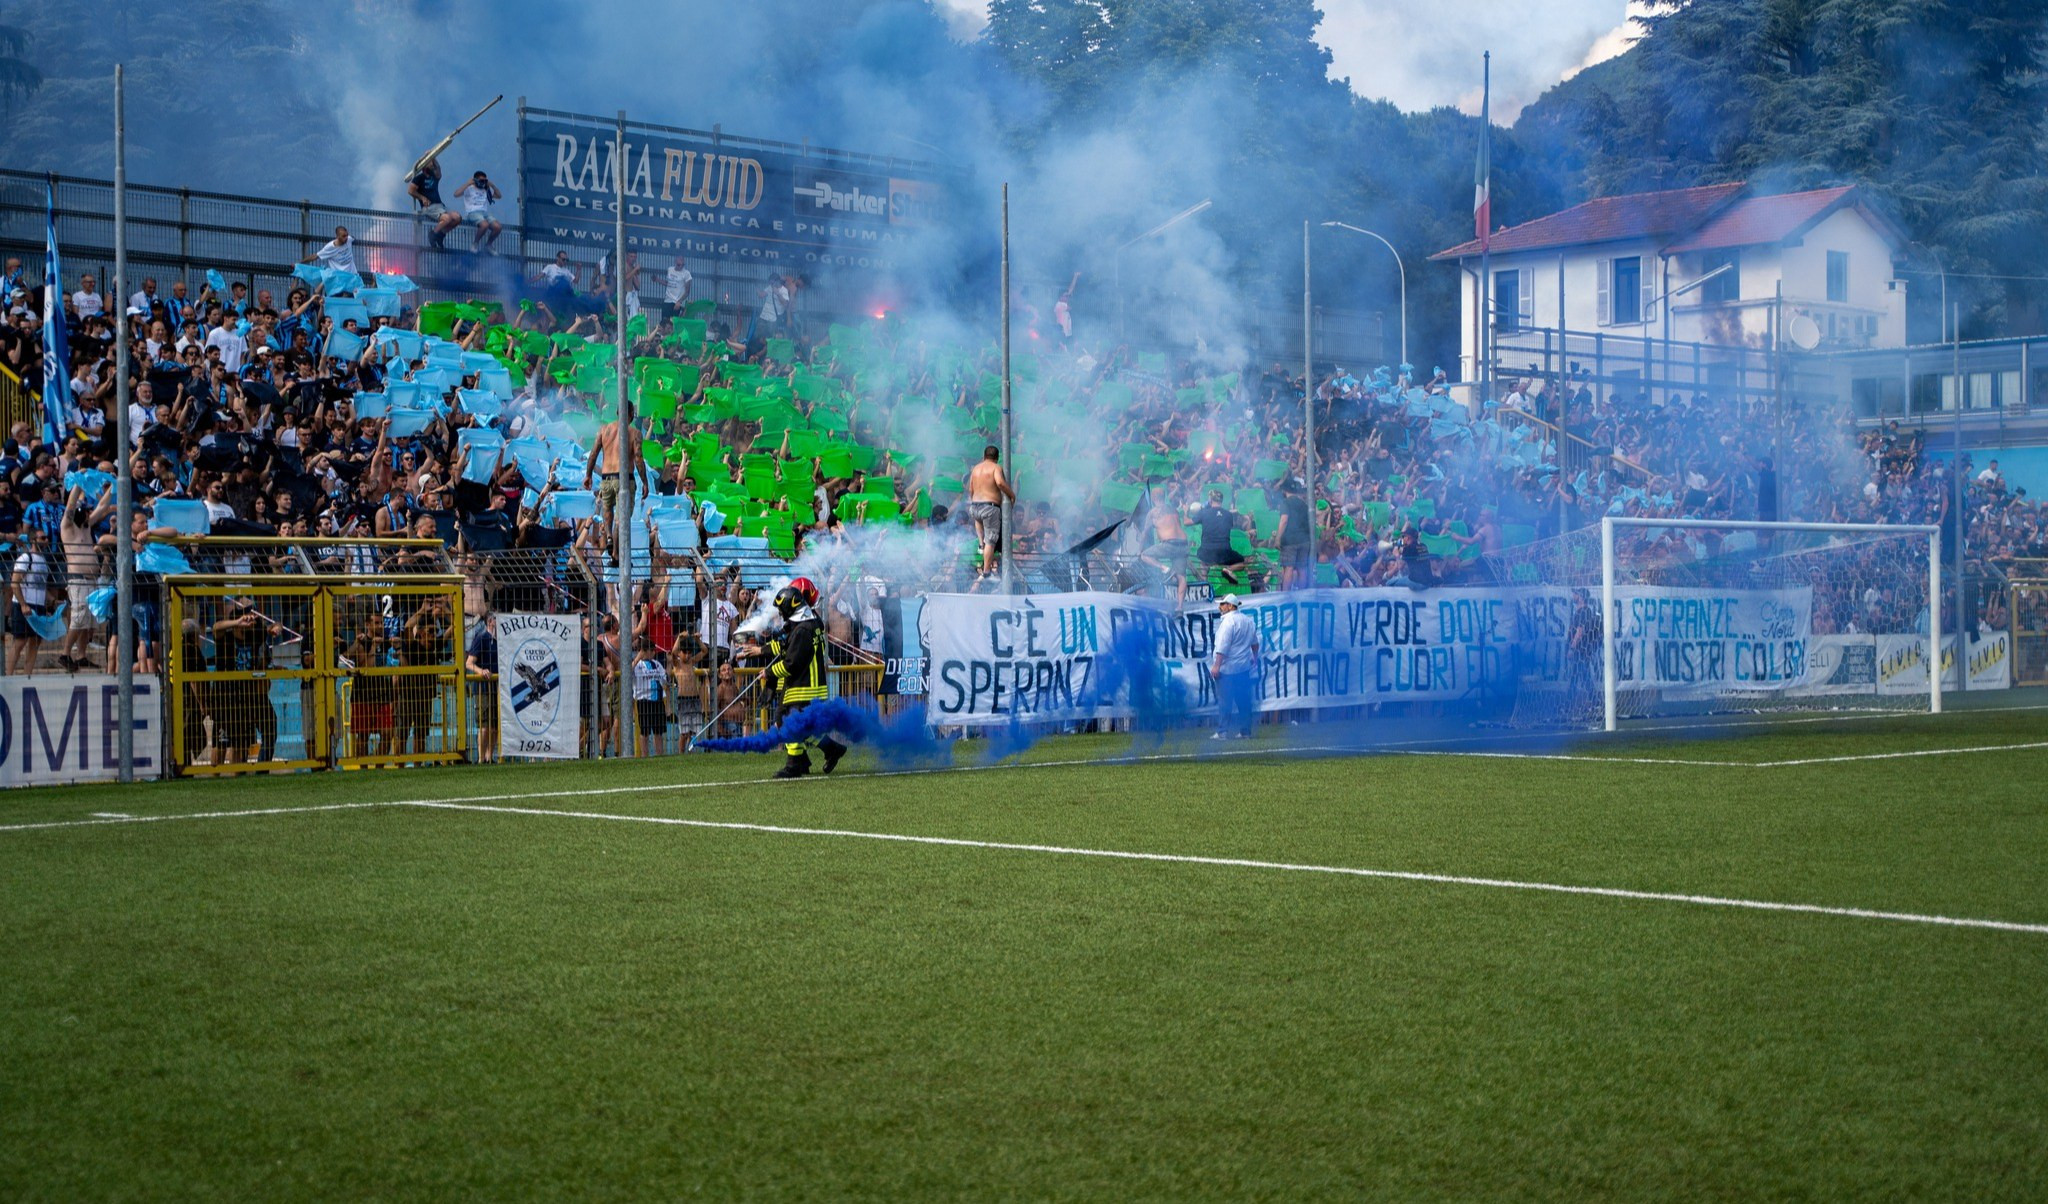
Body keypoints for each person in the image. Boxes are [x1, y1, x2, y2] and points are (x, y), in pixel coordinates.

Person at [764, 579, 845, 779]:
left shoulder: (802, 629)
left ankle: (797, 763)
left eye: (782, 609)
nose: (781, 615)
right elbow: (786, 645)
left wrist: (769, 672)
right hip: (807, 684)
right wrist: (760, 649)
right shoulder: (811, 621)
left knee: (789, 722)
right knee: (799, 724)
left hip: (803, 685)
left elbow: (791, 660)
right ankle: (807, 758)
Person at [1210, 594, 1259, 739]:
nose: (1220, 607)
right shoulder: (1248, 621)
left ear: (1230, 606)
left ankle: (1222, 732)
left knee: (1225, 702)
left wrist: (1216, 666)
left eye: (1223, 604)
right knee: (1243, 702)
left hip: (1227, 669)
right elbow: (1255, 644)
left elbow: (1223, 646)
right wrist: (1254, 659)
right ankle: (1245, 732)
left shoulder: (1228, 622)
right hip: (1243, 668)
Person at [965, 444, 1015, 580]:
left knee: (979, 522)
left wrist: (974, 501)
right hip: (990, 507)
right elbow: (1000, 483)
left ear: (984, 456)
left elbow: (970, 489)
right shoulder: (996, 468)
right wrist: (1012, 495)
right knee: (991, 541)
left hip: (975, 506)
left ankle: (980, 544)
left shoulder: (975, 468)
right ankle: (986, 571)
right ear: (997, 458)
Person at [1140, 493, 1191, 607]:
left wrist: (1139, 550)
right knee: (1181, 577)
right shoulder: (1173, 509)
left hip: (1169, 544)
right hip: (1183, 544)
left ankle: (1165, 569)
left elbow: (1145, 532)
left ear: (1153, 498)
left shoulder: (1153, 512)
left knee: (1144, 555)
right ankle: (1179, 607)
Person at [1189, 486, 1246, 585]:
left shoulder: (1203, 513)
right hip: (1224, 553)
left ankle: (1204, 581)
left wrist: (1186, 510)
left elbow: (1186, 522)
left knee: (1202, 560)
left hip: (1207, 552)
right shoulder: (1229, 515)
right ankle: (1228, 569)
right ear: (1221, 501)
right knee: (1242, 562)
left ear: (1210, 500)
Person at [465, 605, 498, 763]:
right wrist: (480, 671)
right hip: (483, 688)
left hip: (498, 688)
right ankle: (480, 758)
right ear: (491, 621)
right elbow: (469, 663)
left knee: (495, 724)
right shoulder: (481, 637)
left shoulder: (501, 640)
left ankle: (489, 756)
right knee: (484, 724)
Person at [409, 156, 462, 250]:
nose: (432, 166)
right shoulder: (419, 178)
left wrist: (433, 157)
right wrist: (422, 198)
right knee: (447, 218)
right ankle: (433, 234)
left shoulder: (435, 176)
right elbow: (411, 191)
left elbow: (438, 169)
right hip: (429, 207)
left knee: (457, 218)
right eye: (430, 164)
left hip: (440, 206)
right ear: (424, 167)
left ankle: (441, 235)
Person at [632, 635, 670, 756]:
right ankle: (645, 755)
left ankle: (659, 754)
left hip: (658, 699)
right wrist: (639, 656)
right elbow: (628, 671)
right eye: (651, 650)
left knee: (658, 731)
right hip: (644, 700)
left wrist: (669, 663)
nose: (653, 653)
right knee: (645, 731)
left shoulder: (657, 664)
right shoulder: (637, 665)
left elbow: (666, 679)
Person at [457, 171, 504, 253]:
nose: (483, 183)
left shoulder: (486, 190)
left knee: (498, 227)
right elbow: (456, 194)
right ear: (475, 180)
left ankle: (488, 245)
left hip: (484, 213)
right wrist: (467, 184)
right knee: (484, 224)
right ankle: (475, 244)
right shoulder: (469, 189)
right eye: (481, 181)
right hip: (472, 212)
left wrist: (492, 185)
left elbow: (499, 196)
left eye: (485, 181)